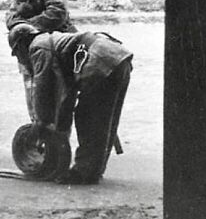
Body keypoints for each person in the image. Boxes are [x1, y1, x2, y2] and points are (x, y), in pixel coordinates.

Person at [10, 23, 133, 185]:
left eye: (17, 54)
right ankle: (94, 168)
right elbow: (66, 97)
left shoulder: (38, 46)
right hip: (118, 58)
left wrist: (40, 123)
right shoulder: (54, 42)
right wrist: (58, 128)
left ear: (21, 45)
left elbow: (42, 87)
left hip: (101, 59)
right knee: (105, 118)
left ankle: (83, 172)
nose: (19, 58)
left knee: (88, 116)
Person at [3, 0, 77, 117]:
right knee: (32, 90)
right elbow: (9, 17)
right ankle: (35, 125)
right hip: (29, 49)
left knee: (55, 94)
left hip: (56, 45)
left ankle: (53, 131)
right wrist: (20, 19)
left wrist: (30, 22)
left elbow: (58, 13)